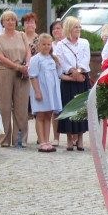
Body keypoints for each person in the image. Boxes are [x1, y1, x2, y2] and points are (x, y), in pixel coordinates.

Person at [0, 10, 31, 148]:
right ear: (2, 22)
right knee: (4, 106)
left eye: (13, 20)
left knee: (21, 107)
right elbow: (0, 57)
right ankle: (4, 139)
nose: (10, 22)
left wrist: (26, 66)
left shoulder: (22, 35)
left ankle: (20, 139)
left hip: (22, 74)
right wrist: (16, 67)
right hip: (5, 72)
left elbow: (28, 51)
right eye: (7, 20)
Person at [55, 16, 91, 151]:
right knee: (69, 107)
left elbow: (86, 59)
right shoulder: (61, 44)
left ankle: (80, 138)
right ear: (69, 28)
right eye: (76, 27)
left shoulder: (84, 43)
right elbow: (61, 61)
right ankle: (69, 138)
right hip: (69, 78)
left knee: (82, 107)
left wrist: (79, 71)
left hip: (82, 76)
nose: (78, 29)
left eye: (79, 27)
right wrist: (72, 72)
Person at [28, 34, 62, 152]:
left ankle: (47, 140)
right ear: (39, 45)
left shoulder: (52, 58)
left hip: (51, 91)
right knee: (41, 115)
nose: (46, 47)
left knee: (48, 115)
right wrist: (37, 92)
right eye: (44, 44)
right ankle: (41, 141)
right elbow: (33, 76)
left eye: (48, 44)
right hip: (41, 90)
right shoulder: (35, 59)